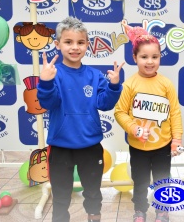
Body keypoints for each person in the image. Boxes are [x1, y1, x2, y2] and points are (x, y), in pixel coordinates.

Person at [37, 16, 124, 222]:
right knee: (60, 196)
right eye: (68, 42)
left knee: (93, 192)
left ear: (87, 45)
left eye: (80, 42)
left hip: (90, 146)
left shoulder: (94, 76)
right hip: (60, 147)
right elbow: (47, 102)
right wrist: (46, 83)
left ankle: (94, 218)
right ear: (57, 45)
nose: (74, 47)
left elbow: (105, 104)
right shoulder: (53, 74)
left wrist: (113, 86)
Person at [114, 23, 183, 222]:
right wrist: (133, 128)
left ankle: (162, 211)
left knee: (162, 180)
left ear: (160, 57)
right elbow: (119, 112)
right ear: (135, 58)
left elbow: (175, 113)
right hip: (138, 147)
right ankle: (140, 210)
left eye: (155, 57)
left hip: (163, 146)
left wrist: (176, 139)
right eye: (144, 57)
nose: (150, 61)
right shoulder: (130, 85)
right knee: (140, 181)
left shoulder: (166, 84)